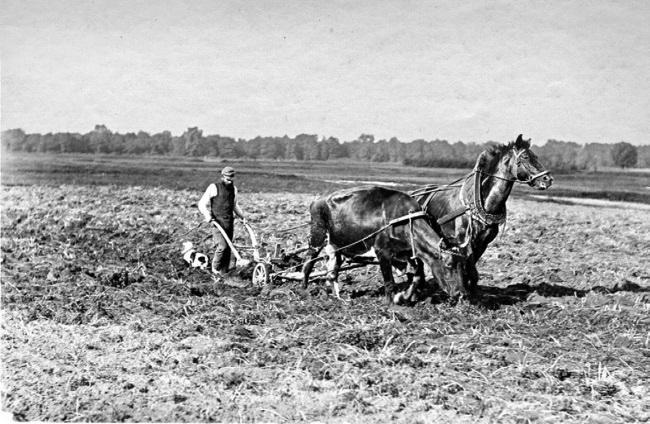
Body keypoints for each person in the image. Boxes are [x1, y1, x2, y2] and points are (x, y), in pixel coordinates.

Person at [198, 166, 246, 276]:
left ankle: (225, 272)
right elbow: (202, 204)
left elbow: (234, 205)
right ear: (223, 176)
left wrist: (243, 217)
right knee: (222, 246)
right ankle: (215, 269)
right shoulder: (214, 187)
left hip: (229, 222)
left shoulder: (234, 189)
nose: (229, 180)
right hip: (217, 222)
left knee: (229, 248)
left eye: (231, 178)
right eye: (227, 177)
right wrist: (208, 216)